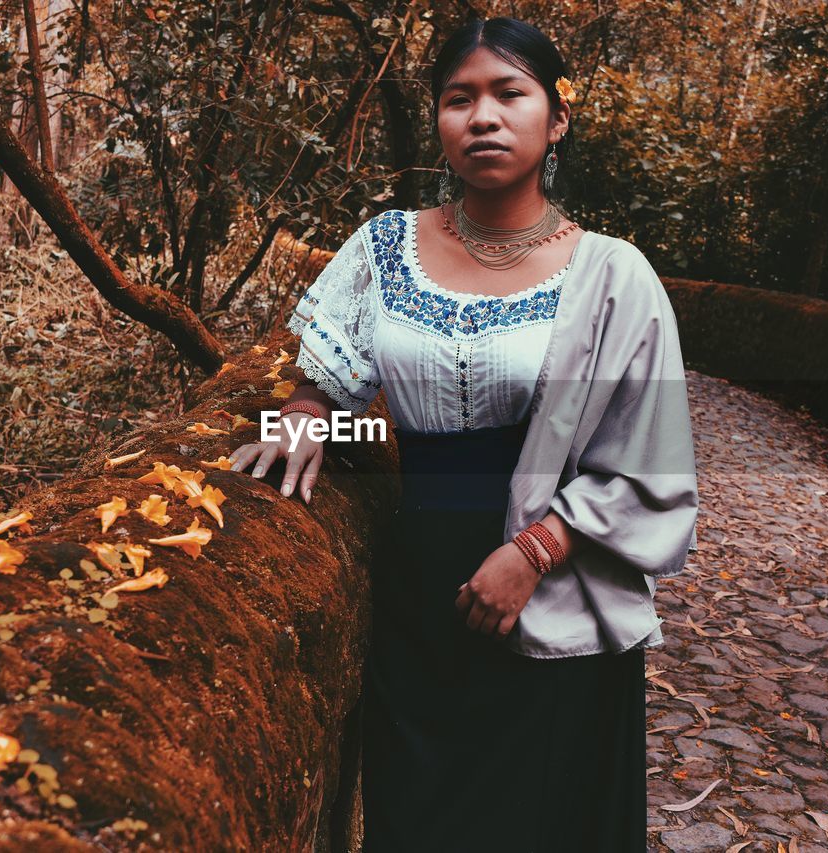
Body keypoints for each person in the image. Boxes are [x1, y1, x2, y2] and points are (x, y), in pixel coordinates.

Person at [228, 16, 699, 853]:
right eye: (460, 98)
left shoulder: (616, 276)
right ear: (439, 120)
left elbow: (653, 469)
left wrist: (532, 553)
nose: (483, 116)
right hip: (418, 601)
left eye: (509, 93)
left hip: (558, 611)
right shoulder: (384, 250)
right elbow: (314, 392)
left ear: (556, 119)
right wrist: (293, 419)